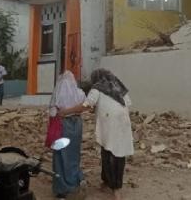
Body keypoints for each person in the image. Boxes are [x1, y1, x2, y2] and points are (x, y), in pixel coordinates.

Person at [60, 69, 133, 200]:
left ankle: (116, 188)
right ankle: (106, 181)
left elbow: (85, 106)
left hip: (110, 124)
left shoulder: (97, 89)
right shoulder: (119, 87)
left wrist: (65, 111)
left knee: (115, 156)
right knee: (108, 151)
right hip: (123, 124)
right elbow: (128, 103)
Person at [49, 71, 85, 199]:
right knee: (74, 155)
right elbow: (84, 107)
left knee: (60, 156)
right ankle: (75, 181)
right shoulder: (80, 93)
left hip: (62, 125)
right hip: (77, 124)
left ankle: (62, 189)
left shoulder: (57, 94)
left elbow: (52, 113)